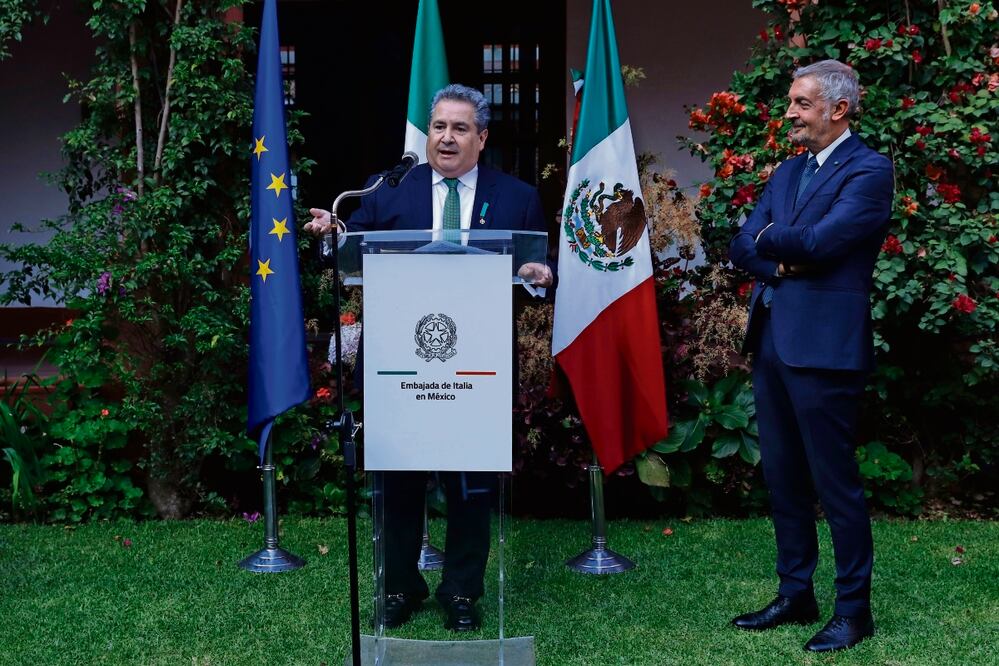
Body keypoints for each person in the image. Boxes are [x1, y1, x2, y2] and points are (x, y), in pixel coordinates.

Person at [305, 84, 552, 632]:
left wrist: (540, 275)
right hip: (399, 363)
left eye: (460, 128)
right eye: (439, 126)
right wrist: (333, 230)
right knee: (398, 479)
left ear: (481, 138)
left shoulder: (516, 197)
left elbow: (539, 268)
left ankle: (462, 591)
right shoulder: (388, 190)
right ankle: (399, 587)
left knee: (471, 482)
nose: (446, 137)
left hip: (476, 367)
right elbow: (352, 248)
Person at [728, 60, 893, 652]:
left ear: (837, 109)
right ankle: (796, 594)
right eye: (792, 102)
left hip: (825, 349)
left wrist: (774, 241)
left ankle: (854, 611)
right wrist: (779, 254)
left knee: (834, 482)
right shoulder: (788, 170)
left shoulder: (870, 170)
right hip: (772, 339)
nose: (790, 113)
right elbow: (741, 240)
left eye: (801, 103)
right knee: (784, 479)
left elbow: (825, 242)